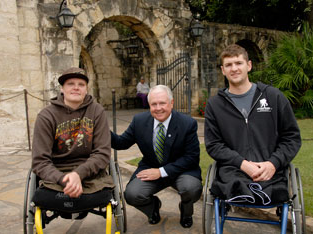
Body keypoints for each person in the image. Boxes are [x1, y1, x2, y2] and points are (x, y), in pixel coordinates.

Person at [204, 44, 301, 205]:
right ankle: (247, 192)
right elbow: (214, 145)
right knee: (233, 186)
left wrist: (273, 163)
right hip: (234, 170)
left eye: (238, 63)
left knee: (275, 190)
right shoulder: (215, 105)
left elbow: (292, 138)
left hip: (270, 170)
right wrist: (243, 164)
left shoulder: (273, 97)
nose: (234, 68)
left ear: (249, 66)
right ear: (223, 70)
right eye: (228, 65)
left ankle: (258, 192)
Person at [111, 85, 202, 228]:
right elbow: (121, 143)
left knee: (191, 189)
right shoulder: (139, 121)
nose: (158, 108)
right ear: (149, 105)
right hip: (151, 165)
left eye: (162, 103)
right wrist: (103, 129)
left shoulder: (187, 123)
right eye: (154, 104)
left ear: (171, 103)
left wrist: (160, 172)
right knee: (132, 194)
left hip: (182, 170)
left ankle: (186, 211)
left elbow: (191, 157)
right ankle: (153, 207)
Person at [32, 67, 114, 200]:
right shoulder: (46, 116)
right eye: (70, 84)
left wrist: (78, 174)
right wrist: (64, 179)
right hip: (56, 174)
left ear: (86, 90)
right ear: (62, 89)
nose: (76, 88)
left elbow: (103, 153)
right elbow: (40, 161)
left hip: (90, 173)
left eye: (81, 84)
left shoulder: (96, 111)